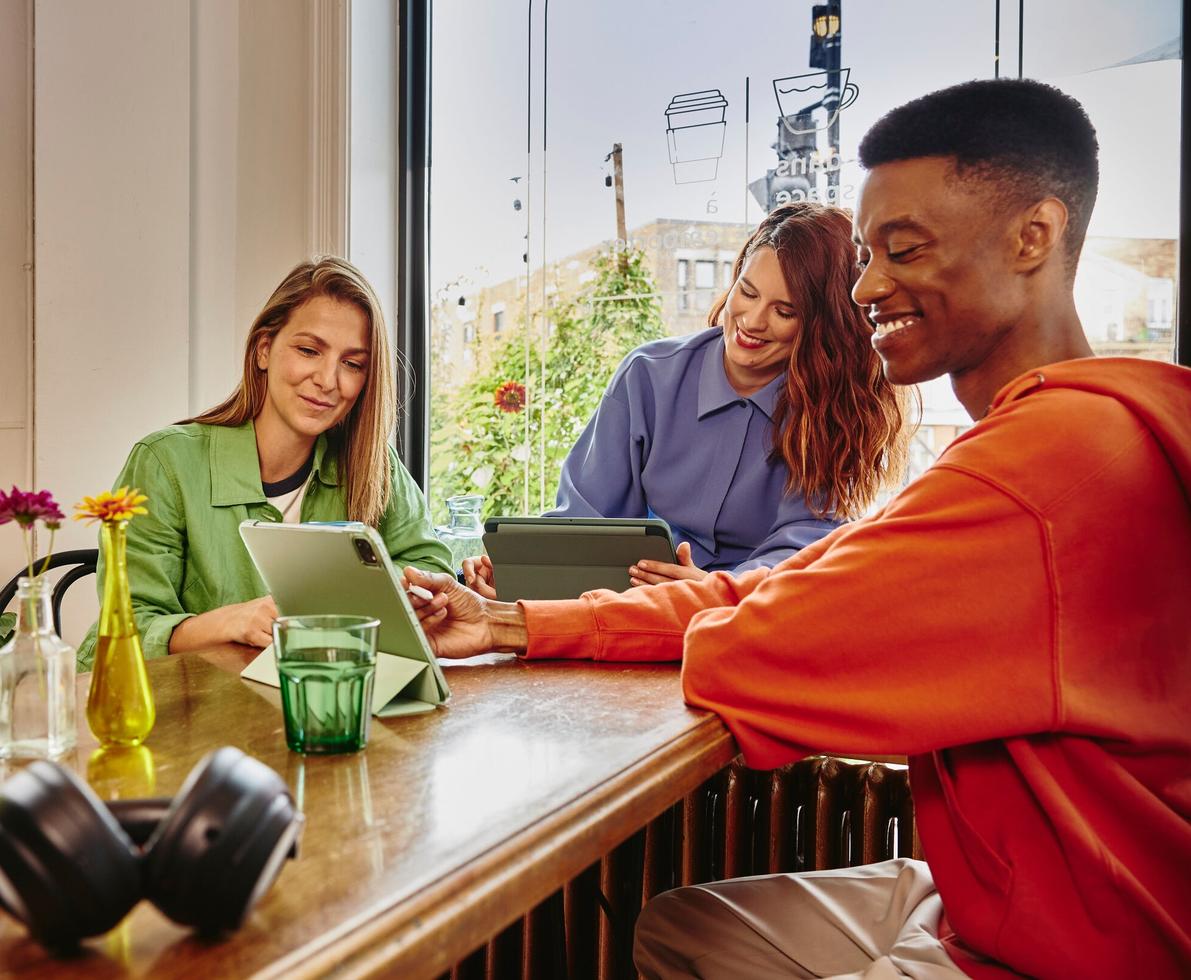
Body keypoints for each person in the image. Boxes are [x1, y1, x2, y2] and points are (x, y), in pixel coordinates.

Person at [403, 78, 1191, 979]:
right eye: (866, 255)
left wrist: (696, 609)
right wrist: (515, 621)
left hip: (1068, 948)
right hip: (1005, 887)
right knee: (681, 928)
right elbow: (793, 584)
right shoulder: (1078, 428)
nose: (865, 286)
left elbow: (750, 644)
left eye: (902, 250)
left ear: (1032, 237)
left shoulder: (1034, 475)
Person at [462, 202, 911, 597]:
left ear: (824, 326)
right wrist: (525, 570)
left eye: (785, 311)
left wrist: (718, 589)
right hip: (637, 606)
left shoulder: (835, 408)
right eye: (747, 292)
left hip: (752, 613)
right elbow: (586, 515)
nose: (752, 321)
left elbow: (807, 542)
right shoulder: (648, 377)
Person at [77, 257, 452, 668]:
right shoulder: (165, 463)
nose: (328, 380)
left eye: (352, 364)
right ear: (264, 350)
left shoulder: (373, 465)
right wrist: (228, 622)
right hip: (200, 719)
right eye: (309, 350)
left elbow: (429, 566)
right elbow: (121, 635)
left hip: (328, 703)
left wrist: (400, 591)